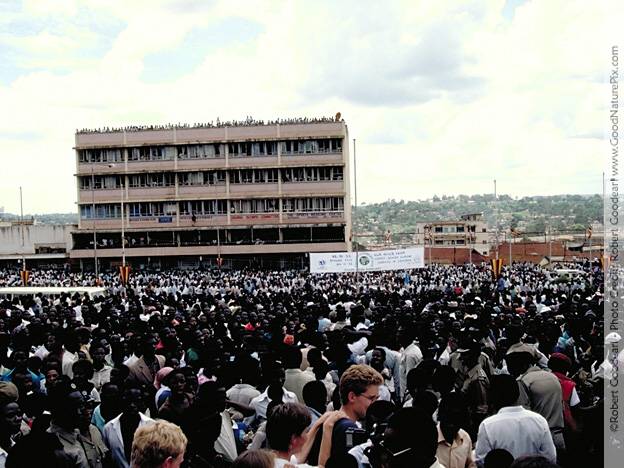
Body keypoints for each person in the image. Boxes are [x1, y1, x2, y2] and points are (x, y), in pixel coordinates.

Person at [308, 364, 383, 465]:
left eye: (376, 398)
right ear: (352, 397)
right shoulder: (349, 430)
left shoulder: (330, 421)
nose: (375, 403)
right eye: (371, 398)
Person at [474, 375, 556, 466]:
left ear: (492, 397)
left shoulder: (488, 425)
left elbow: (481, 461)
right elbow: (550, 457)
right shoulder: (539, 421)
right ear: (518, 394)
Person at [103, 385, 155, 468]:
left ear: (142, 403)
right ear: (121, 402)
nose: (132, 405)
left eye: (136, 401)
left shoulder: (153, 426)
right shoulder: (108, 428)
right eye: (128, 401)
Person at [436, 393, 476, 468]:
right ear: (440, 416)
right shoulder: (430, 439)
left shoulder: (465, 437)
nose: (452, 425)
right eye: (448, 418)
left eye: (456, 419)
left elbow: (471, 464)